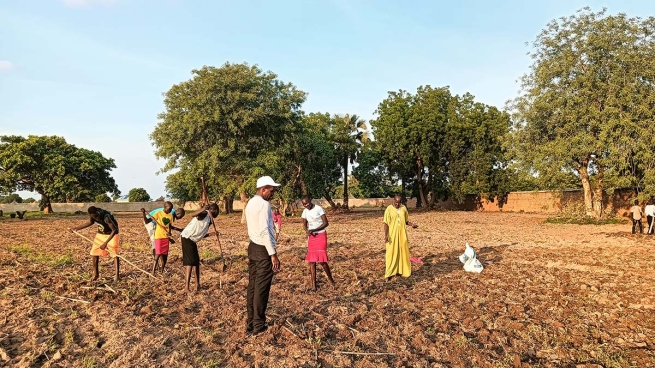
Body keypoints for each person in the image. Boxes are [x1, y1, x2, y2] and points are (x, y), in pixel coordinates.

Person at [245, 176, 281, 336]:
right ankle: (259, 325)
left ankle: (251, 322)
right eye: (271, 190)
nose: (272, 194)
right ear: (263, 189)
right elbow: (265, 230)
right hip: (263, 249)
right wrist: (273, 254)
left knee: (253, 286)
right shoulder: (264, 205)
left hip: (253, 246)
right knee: (261, 288)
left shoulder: (250, 203)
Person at [70, 206, 120, 282]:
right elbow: (90, 222)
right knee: (94, 253)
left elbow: (114, 230)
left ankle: (117, 276)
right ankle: (96, 274)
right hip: (100, 234)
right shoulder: (92, 215)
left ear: (97, 212)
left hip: (112, 234)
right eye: (93, 216)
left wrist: (105, 243)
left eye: (96, 216)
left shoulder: (106, 216)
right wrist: (76, 228)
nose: (95, 218)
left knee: (114, 253)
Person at [179, 203, 220, 292]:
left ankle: (197, 285)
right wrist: (203, 209)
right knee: (190, 263)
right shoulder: (205, 213)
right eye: (218, 212)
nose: (218, 214)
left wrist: (211, 234)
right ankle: (186, 287)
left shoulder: (210, 220)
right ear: (214, 210)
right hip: (187, 238)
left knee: (196, 263)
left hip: (193, 240)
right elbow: (193, 215)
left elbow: (200, 233)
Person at [300, 196, 335, 291]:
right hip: (312, 237)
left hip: (320, 235)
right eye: (304, 205)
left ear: (310, 201)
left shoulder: (319, 208)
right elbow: (304, 224)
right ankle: (313, 286)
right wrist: (307, 231)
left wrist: (315, 229)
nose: (306, 205)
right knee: (312, 261)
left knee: (322, 261)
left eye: (307, 203)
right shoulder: (305, 212)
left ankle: (331, 280)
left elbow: (326, 223)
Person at [383, 195, 418, 281]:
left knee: (403, 253)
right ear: (393, 200)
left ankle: (402, 271)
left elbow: (406, 221)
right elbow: (386, 223)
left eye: (399, 202)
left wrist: (412, 225)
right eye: (396, 202)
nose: (397, 204)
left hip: (402, 234)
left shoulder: (403, 208)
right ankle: (389, 273)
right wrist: (386, 235)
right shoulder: (389, 209)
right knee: (391, 253)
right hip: (392, 235)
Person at [144, 202, 182, 275]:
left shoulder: (170, 214)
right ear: (177, 213)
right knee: (154, 243)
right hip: (151, 223)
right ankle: (155, 264)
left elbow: (167, 225)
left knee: (164, 252)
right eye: (180, 216)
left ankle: (161, 266)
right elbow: (152, 221)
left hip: (163, 235)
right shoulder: (169, 212)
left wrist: (170, 236)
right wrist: (178, 230)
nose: (180, 218)